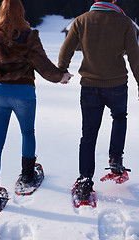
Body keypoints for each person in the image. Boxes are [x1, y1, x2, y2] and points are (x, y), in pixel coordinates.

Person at [0, 0, 72, 211]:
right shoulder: (29, 36)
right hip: (23, 93)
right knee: (27, 133)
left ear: (2, 10)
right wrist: (61, 76)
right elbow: (43, 66)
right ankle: (27, 175)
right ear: (21, 12)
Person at [58, 0, 139, 201]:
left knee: (89, 134)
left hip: (90, 87)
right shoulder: (125, 22)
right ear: (114, 0)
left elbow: (65, 50)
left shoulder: (81, 21)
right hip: (117, 86)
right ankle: (116, 159)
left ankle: (85, 182)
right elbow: (135, 58)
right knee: (119, 118)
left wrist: (62, 70)